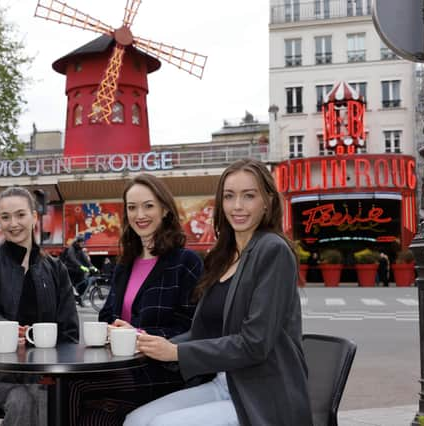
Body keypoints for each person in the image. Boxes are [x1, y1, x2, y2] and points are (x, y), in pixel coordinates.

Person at [124, 159, 313, 426]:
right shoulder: (221, 256)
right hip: (225, 382)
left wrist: (176, 353)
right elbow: (205, 335)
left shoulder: (273, 251)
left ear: (268, 202)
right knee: (134, 420)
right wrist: (148, 343)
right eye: (229, 196)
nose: (237, 206)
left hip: (263, 394)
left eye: (249, 196)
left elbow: (254, 344)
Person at [69, 173, 203, 425]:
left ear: (164, 210)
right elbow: (107, 315)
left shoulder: (186, 262)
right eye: (132, 207)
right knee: (66, 390)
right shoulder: (125, 264)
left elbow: (190, 327)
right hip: (121, 367)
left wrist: (136, 334)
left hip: (161, 371)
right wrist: (111, 329)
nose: (139, 214)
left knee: (80, 394)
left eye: (148, 206)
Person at [0, 186, 79, 426]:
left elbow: (69, 332)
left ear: (35, 217)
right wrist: (9, 331)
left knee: (26, 398)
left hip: (43, 374)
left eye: (20, 215)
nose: (13, 223)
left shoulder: (57, 269)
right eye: (5, 217)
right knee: (41, 395)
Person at [62, 234, 95, 299]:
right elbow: (72, 259)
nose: (83, 243)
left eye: (83, 242)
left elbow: (85, 259)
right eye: (81, 242)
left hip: (77, 271)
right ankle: (72, 298)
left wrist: (92, 266)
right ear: (77, 242)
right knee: (70, 286)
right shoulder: (71, 249)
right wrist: (81, 266)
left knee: (84, 284)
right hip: (70, 270)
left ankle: (79, 298)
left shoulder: (80, 250)